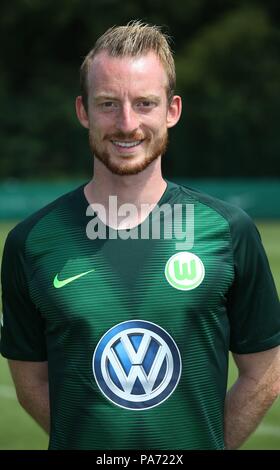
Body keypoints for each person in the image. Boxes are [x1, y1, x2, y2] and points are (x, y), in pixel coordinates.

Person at [1, 21, 280, 451]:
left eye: (145, 103)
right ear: (83, 111)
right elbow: (30, 382)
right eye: (108, 103)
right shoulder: (30, 243)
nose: (127, 123)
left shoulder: (229, 231)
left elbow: (266, 369)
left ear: (172, 110)